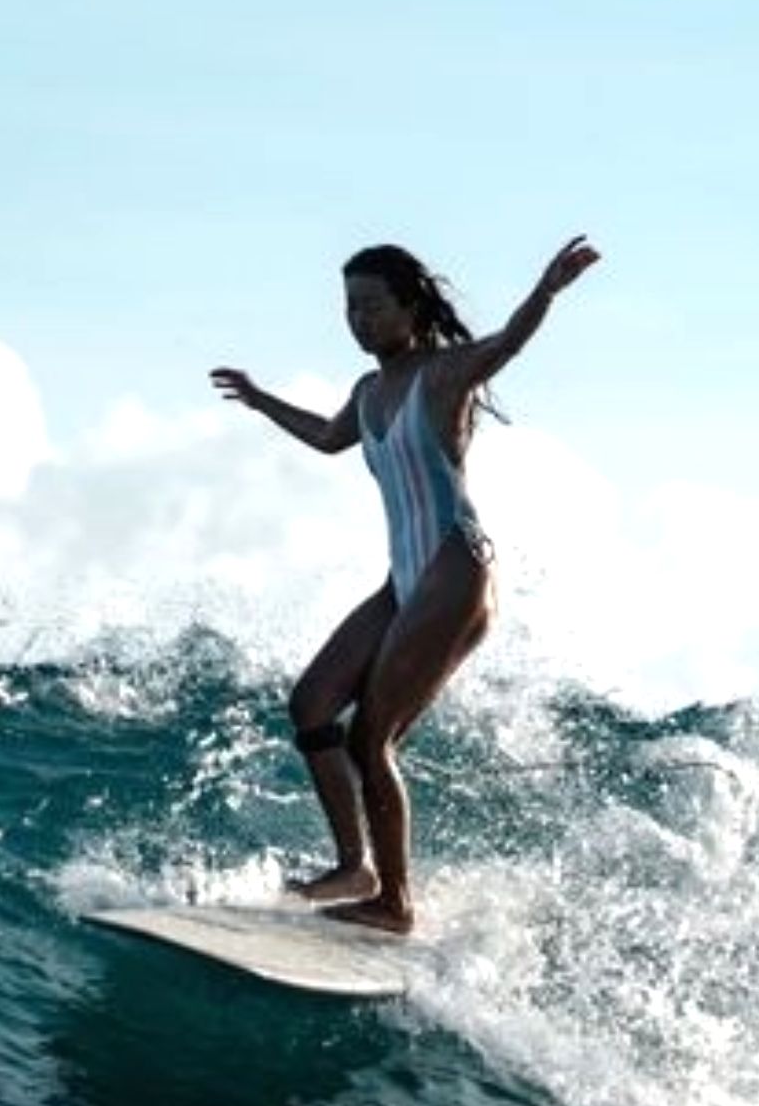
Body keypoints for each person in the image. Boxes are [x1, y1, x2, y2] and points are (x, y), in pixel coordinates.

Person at [207, 234, 598, 933]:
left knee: (372, 738)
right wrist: (263, 401)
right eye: (349, 308)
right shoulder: (367, 392)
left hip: (456, 568)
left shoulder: (444, 375)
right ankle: (354, 867)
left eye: (371, 305)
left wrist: (546, 291)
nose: (358, 320)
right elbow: (330, 439)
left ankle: (395, 902)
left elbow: (508, 342)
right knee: (313, 706)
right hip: (404, 579)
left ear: (410, 305)